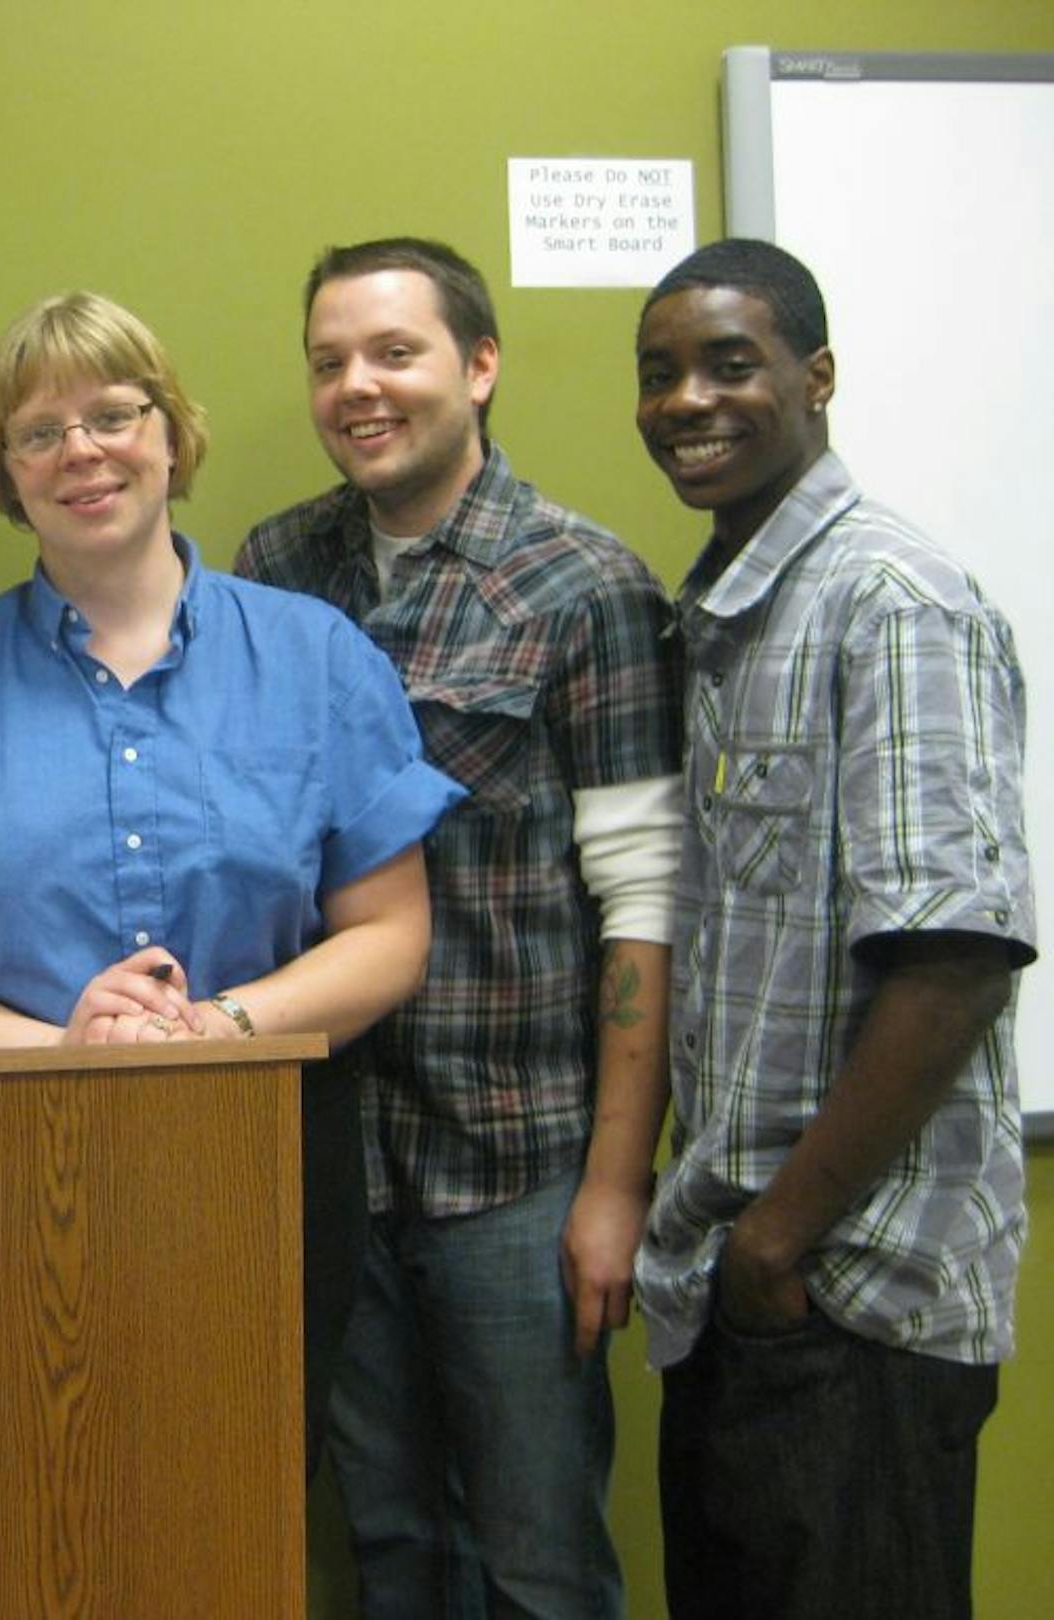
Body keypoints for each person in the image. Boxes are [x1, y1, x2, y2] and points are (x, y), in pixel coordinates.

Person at [0, 290, 463, 1471]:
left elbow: (389, 935)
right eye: (38, 432)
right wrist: (70, 1051)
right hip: (11, 1168)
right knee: (31, 1499)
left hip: (267, 1158)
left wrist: (219, 1026)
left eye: (114, 414)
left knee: (238, 1500)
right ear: (4, 473)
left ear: (172, 433)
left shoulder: (315, 655)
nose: (82, 452)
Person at [236, 238, 681, 1617]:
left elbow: (645, 909)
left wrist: (615, 1187)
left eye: (394, 353)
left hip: (518, 1166)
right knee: (389, 1555)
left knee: (536, 1562)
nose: (358, 387)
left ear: (479, 368)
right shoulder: (276, 571)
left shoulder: (583, 586)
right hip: (332, 1159)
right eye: (329, 363)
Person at [631, 237, 1033, 1620]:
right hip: (743, 1292)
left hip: (850, 1295)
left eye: (730, 364)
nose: (689, 400)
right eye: (661, 373)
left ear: (817, 378)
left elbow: (956, 959)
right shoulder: (734, 607)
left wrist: (779, 1244)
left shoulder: (890, 600)